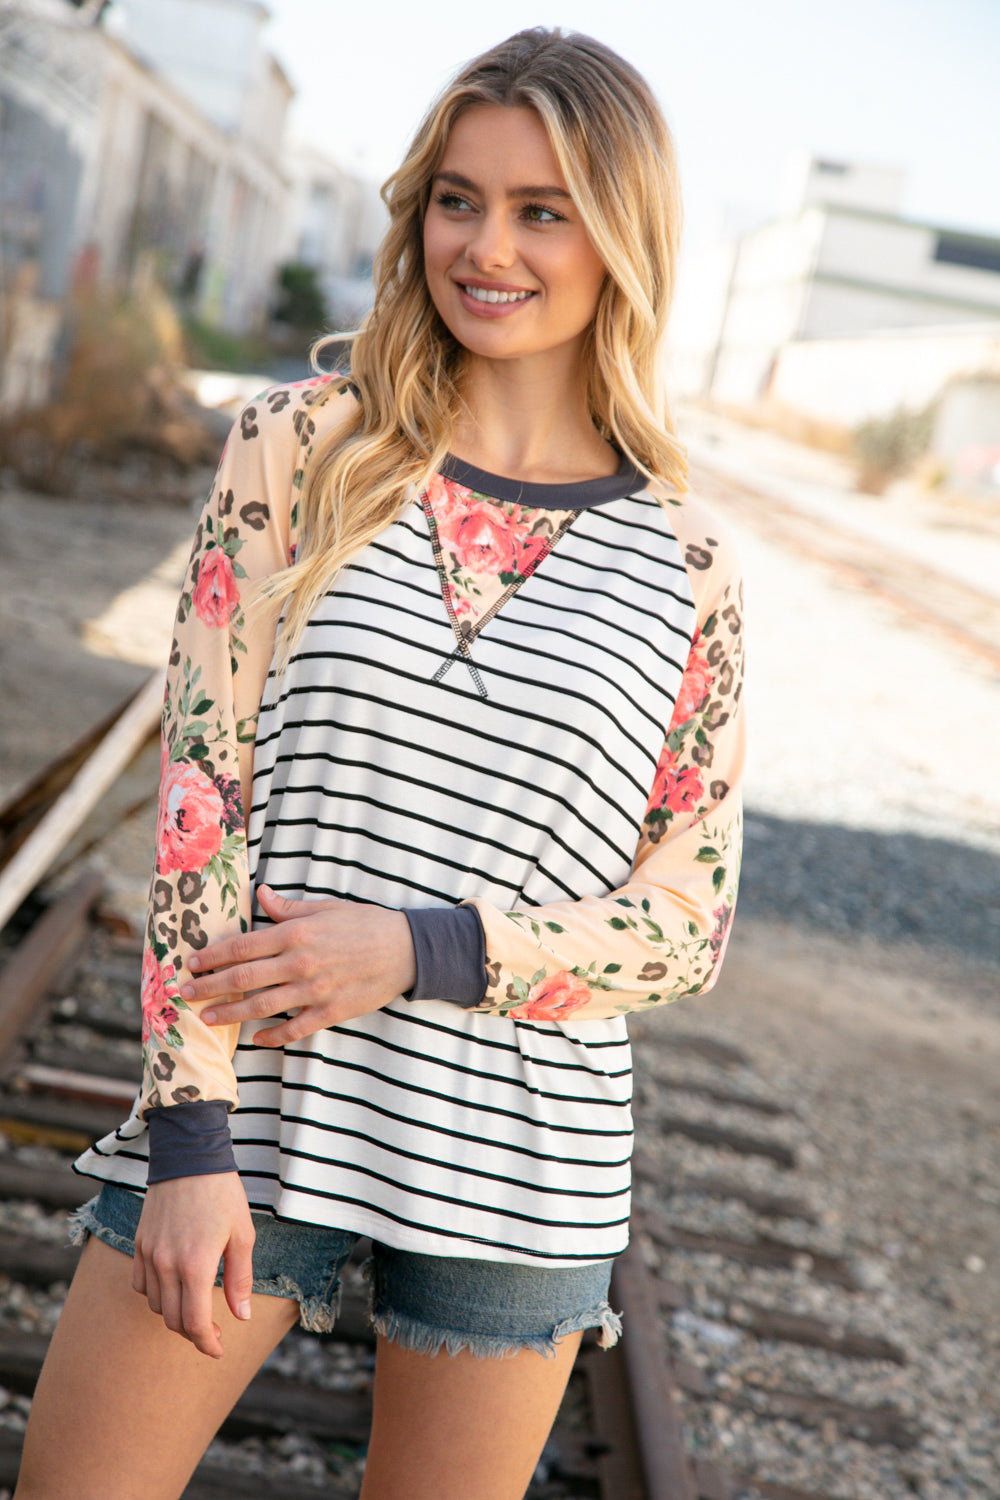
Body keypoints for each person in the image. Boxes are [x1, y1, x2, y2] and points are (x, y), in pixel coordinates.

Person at [16, 26, 744, 1500]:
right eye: (457, 199)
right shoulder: (299, 449)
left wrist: (417, 949)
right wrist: (190, 1135)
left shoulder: (690, 565)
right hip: (259, 1117)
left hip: (522, 1174)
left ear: (622, 235)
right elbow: (199, 807)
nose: (488, 245)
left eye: (544, 209)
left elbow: (686, 922)